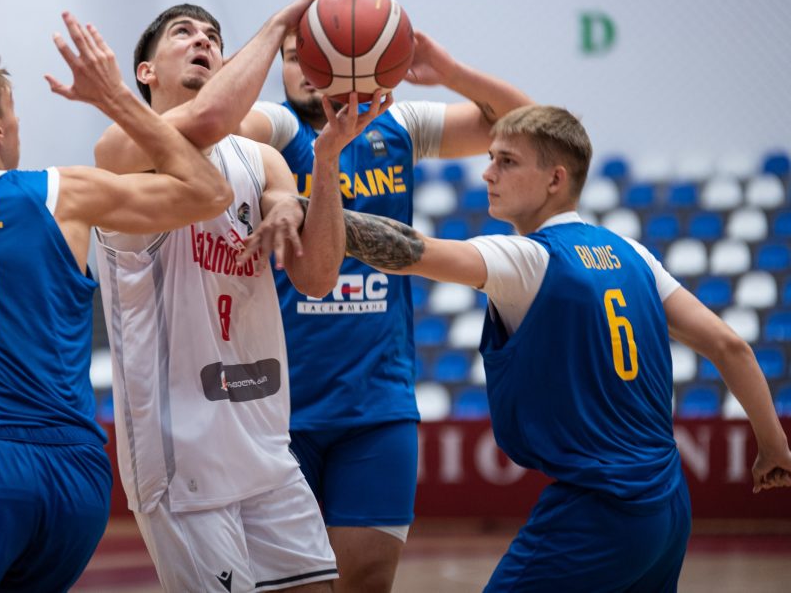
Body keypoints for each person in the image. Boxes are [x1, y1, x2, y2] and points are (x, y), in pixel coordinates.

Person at [338, 104, 791, 591]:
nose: (488, 173)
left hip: (598, 510)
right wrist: (773, 446)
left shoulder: (530, 258)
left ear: (555, 179)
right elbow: (730, 346)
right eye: (490, 158)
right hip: (668, 504)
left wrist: (308, 210)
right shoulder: (633, 253)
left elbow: (409, 250)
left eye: (507, 161)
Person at [0, 12, 234, 592]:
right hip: (75, 476)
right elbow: (210, 192)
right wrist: (118, 99)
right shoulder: (60, 193)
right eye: (13, 114)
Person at [91, 0, 384, 593]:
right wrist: (279, 24)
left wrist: (325, 161)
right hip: (182, 455)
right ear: (146, 71)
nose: (203, 40)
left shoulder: (262, 158)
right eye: (184, 33)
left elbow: (317, 276)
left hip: (264, 442)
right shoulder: (118, 151)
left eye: (213, 37)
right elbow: (204, 121)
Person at [232, 30, 532, 590]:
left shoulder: (400, 124)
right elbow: (214, 129)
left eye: (322, 58)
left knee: (368, 580)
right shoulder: (277, 127)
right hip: (280, 409)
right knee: (289, 586)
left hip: (376, 403)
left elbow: (527, 129)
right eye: (294, 59)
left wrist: (448, 70)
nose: (307, 70)